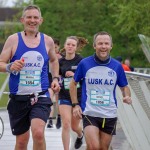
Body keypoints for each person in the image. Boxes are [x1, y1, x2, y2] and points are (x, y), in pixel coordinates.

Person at [0, 5, 60, 150]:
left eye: (35, 17)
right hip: (18, 98)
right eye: (29, 17)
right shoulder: (13, 40)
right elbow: (1, 63)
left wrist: (55, 78)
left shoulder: (48, 41)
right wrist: (9, 66)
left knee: (38, 133)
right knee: (21, 141)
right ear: (22, 20)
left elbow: (53, 60)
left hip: (40, 96)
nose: (32, 20)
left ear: (41, 20)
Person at [69, 31, 132, 150]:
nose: (103, 46)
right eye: (100, 43)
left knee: (103, 148)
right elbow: (73, 83)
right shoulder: (85, 63)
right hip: (89, 113)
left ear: (111, 46)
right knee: (93, 146)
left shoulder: (117, 66)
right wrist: (75, 105)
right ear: (94, 46)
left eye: (106, 43)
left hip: (109, 114)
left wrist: (127, 96)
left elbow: (124, 87)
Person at [58, 36, 88, 150]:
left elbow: (86, 78)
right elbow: (56, 77)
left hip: (78, 97)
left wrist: (75, 76)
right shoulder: (60, 62)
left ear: (76, 47)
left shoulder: (81, 61)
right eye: (68, 44)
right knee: (66, 124)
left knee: (74, 126)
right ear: (65, 46)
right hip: (64, 95)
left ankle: (80, 135)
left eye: (73, 45)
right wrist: (59, 79)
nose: (70, 46)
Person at [47, 38, 62, 129]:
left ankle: (59, 118)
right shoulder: (47, 56)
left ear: (58, 47)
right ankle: (50, 120)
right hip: (49, 78)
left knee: (57, 100)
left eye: (55, 47)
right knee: (49, 99)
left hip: (59, 79)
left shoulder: (61, 57)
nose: (53, 48)